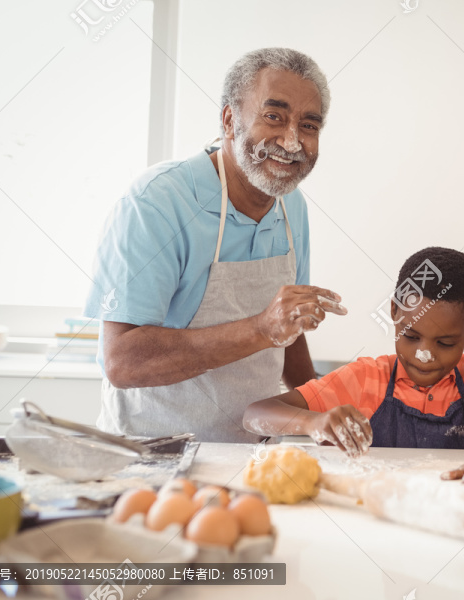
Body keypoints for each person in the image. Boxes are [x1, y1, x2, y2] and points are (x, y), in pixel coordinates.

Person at [84, 48, 346, 442]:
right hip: (154, 454)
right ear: (229, 119)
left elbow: (287, 332)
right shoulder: (157, 202)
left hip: (254, 454)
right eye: (273, 116)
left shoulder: (292, 206)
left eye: (308, 125)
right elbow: (122, 362)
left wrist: (323, 408)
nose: (292, 142)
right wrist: (261, 328)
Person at [244, 247, 464, 489]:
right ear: (394, 312)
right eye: (411, 337)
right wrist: (313, 422)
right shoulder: (367, 378)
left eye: (444, 343)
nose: (424, 355)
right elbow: (256, 414)